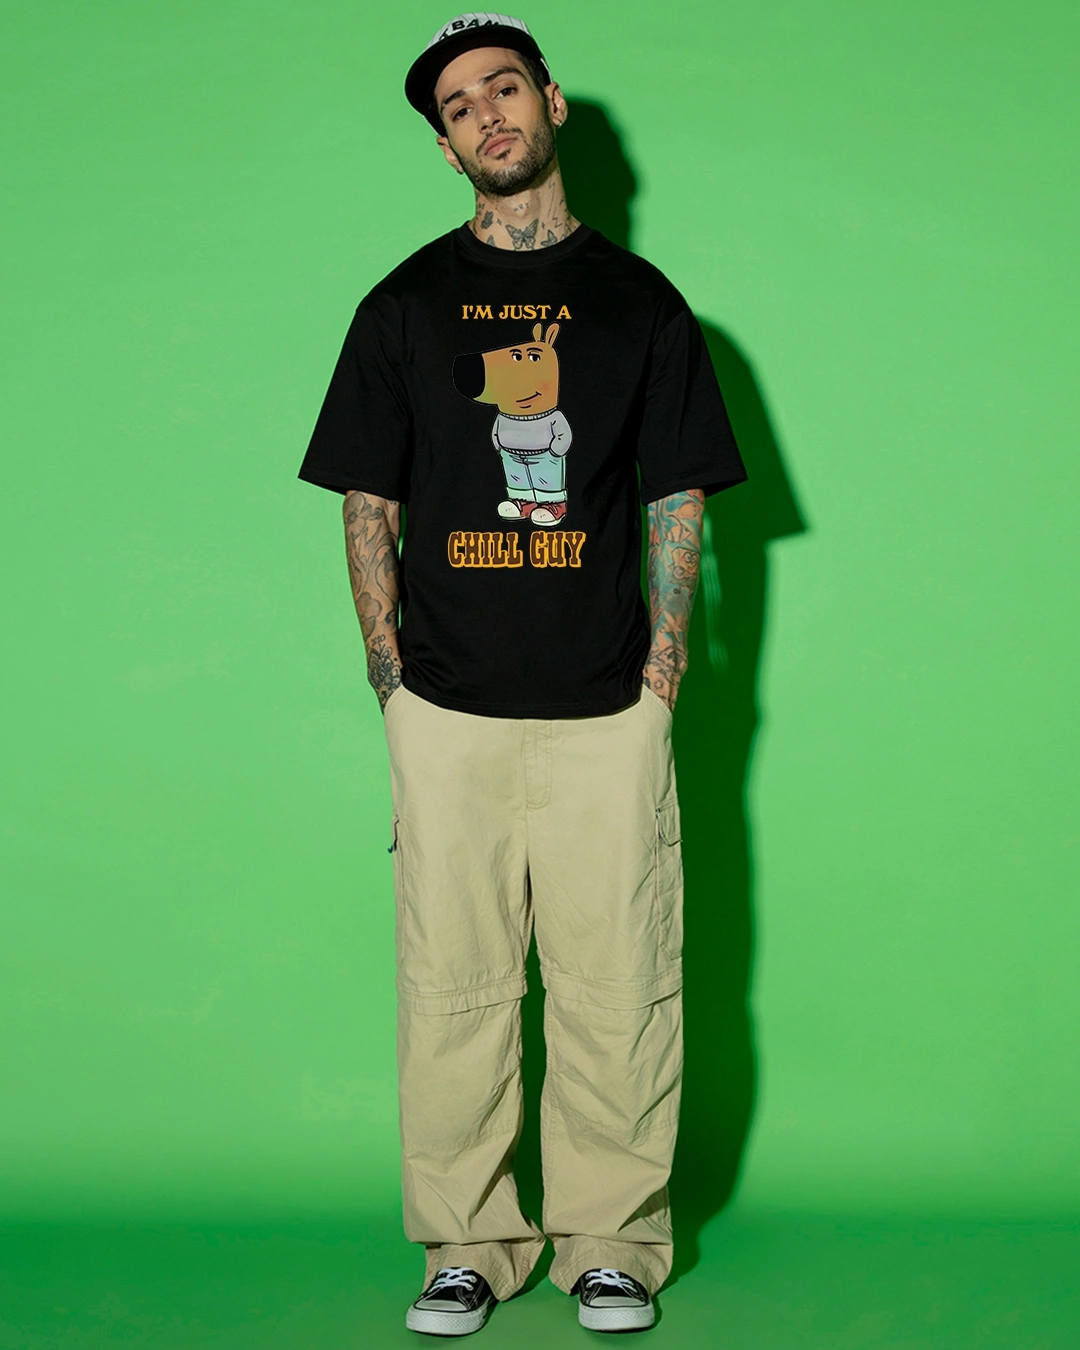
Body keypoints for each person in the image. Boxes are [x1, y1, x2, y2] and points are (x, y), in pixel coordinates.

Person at [298, 13, 746, 1336]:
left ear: (550, 101)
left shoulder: (641, 303)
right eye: (457, 107)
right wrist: (389, 675)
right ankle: (469, 1243)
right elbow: (367, 498)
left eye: (503, 87)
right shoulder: (401, 306)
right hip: (448, 705)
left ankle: (611, 1242)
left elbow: (676, 496)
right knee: (454, 987)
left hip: (609, 706)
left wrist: (667, 667)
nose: (485, 113)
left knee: (622, 983)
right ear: (446, 149)